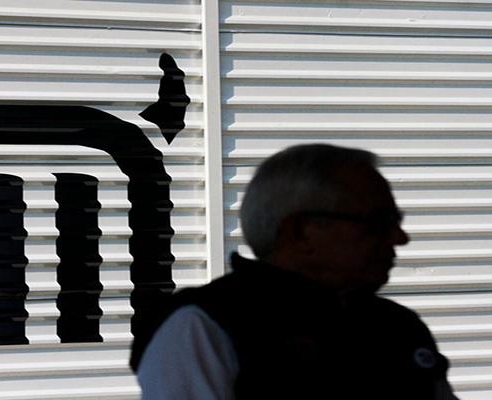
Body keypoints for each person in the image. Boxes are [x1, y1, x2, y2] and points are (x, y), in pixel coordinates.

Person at [130, 144, 459, 400]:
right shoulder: (205, 325)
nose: (400, 238)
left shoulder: (397, 326)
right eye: (378, 222)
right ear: (300, 232)